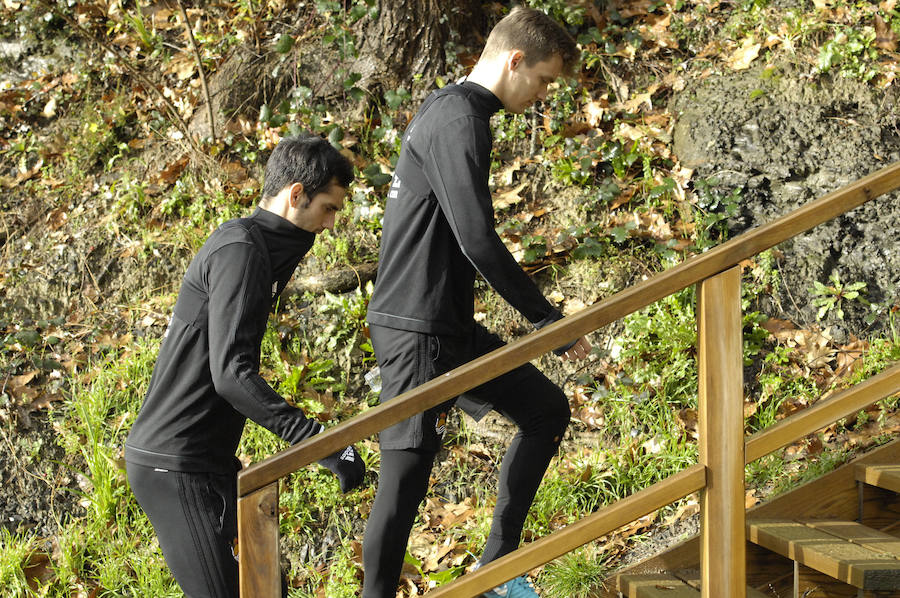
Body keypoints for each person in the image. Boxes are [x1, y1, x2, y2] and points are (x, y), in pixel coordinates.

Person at [362, 7, 590, 598]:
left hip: (446, 324)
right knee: (406, 473)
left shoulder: (450, 109)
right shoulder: (461, 119)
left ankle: (495, 574)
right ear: (514, 60)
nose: (542, 96)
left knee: (544, 411)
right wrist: (544, 317)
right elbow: (476, 238)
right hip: (416, 327)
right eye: (543, 80)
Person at [125, 135, 365, 598]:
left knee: (265, 590)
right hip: (175, 465)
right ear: (296, 195)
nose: (331, 224)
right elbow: (232, 374)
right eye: (329, 209)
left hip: (209, 463)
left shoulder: (258, 249)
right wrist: (319, 442)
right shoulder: (243, 252)